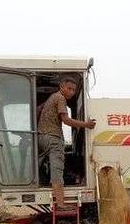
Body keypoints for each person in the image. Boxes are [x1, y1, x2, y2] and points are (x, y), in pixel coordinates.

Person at [37, 77, 96, 209]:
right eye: (69, 88)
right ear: (62, 87)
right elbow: (66, 120)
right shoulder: (60, 98)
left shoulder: (51, 98)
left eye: (74, 90)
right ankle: (61, 204)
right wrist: (86, 124)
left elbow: (39, 110)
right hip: (53, 138)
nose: (71, 92)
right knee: (57, 171)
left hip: (42, 137)